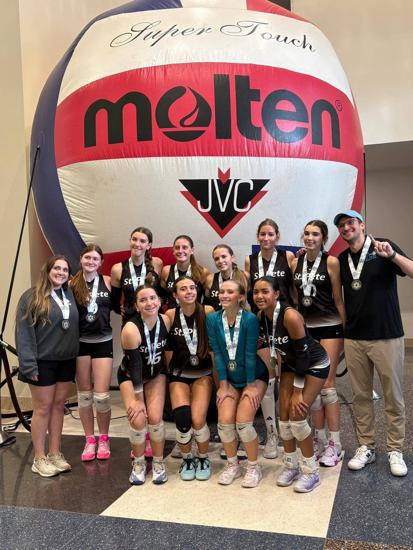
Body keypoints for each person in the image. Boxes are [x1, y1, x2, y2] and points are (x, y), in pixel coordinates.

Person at [334, 210, 413, 476]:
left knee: (393, 396)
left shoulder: (383, 246)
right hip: (355, 338)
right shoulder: (342, 259)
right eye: (342, 226)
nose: (346, 228)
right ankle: (366, 446)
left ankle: (395, 449)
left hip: (387, 335)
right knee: (361, 396)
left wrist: (392, 256)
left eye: (350, 223)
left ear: (361, 225)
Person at [254, 276, 330, 493]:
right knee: (284, 416)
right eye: (256, 292)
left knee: (297, 416)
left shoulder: (291, 316)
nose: (259, 296)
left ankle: (311, 472)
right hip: (290, 364)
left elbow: (303, 357)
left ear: (276, 294)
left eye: (265, 291)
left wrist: (297, 391)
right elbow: (276, 349)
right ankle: (291, 465)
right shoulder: (262, 316)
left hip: (314, 364)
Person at [15, 255, 79, 477]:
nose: (61, 273)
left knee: (59, 406)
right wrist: (28, 365)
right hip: (42, 362)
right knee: (43, 408)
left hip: (66, 361)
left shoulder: (68, 295)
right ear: (48, 270)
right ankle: (39, 458)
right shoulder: (31, 297)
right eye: (57, 268)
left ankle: (54, 453)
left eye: (65, 270)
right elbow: (24, 333)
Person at [292, 220, 345, 466]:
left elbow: (338, 299)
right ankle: (319, 439)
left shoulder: (331, 262)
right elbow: (296, 297)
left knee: (328, 385)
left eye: (315, 234)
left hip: (330, 325)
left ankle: (336, 443)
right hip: (307, 329)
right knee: (311, 386)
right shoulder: (296, 262)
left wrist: (346, 331)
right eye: (307, 233)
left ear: (324, 238)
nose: (310, 237)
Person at [206, 280, 268, 488]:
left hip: (254, 376)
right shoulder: (212, 319)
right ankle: (233, 465)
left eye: (230, 292)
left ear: (240, 297)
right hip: (230, 379)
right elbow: (217, 354)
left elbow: (250, 354)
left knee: (243, 423)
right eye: (222, 291)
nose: (224, 295)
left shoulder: (250, 319)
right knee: (224, 423)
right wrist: (223, 385)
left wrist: (250, 385)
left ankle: (253, 467)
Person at [245, 219, 295, 458]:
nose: (266, 238)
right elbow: (250, 292)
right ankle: (272, 434)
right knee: (269, 379)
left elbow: (293, 289)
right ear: (257, 236)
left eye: (270, 234)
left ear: (277, 236)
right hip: (263, 321)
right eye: (262, 234)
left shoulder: (288, 257)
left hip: (284, 321)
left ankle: (291, 431)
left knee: (288, 378)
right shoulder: (250, 260)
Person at [117, 284, 171, 485]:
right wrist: (138, 400)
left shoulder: (166, 320)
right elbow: (135, 367)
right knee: (138, 420)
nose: (149, 303)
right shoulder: (131, 329)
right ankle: (138, 463)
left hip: (156, 375)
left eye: (152, 298)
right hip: (131, 377)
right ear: (136, 305)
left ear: (159, 300)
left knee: (155, 418)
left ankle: (158, 463)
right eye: (143, 300)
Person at [165, 276, 214, 481]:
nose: (189, 292)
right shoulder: (170, 315)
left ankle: (203, 458)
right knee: (183, 420)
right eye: (183, 289)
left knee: (198, 420)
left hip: (202, 374)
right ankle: (187, 459)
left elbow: (214, 348)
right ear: (175, 295)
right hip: (179, 375)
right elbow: (167, 350)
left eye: (192, 288)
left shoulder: (207, 311)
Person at [70, 245, 113, 462]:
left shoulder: (107, 281)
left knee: (102, 397)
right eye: (87, 257)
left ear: (101, 262)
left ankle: (104, 438)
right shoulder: (71, 283)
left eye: (95, 259)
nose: (91, 262)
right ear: (81, 259)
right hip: (80, 343)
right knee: (84, 396)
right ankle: (89, 439)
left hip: (103, 341)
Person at [111, 227, 163, 324]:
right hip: (131, 320)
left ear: (148, 245)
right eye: (134, 239)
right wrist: (122, 310)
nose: (137, 244)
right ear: (130, 241)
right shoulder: (118, 269)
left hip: (155, 318)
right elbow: (114, 301)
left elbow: (161, 292)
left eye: (142, 241)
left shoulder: (157, 263)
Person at [161, 235, 208, 310]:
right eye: (177, 248)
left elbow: (207, 299)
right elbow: (162, 296)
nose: (180, 251)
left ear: (192, 250)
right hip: (171, 314)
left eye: (184, 247)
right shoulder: (166, 271)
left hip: (195, 314)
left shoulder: (202, 272)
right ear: (173, 251)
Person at [204, 244, 248, 311]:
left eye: (224, 256)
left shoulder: (245, 276)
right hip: (217, 317)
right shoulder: (210, 279)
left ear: (232, 258)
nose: (220, 261)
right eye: (216, 259)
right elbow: (206, 304)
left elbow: (251, 301)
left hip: (239, 317)